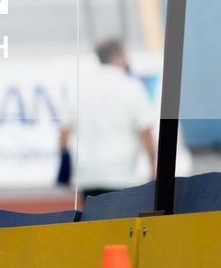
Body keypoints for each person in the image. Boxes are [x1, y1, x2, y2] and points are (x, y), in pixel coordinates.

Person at [59, 38, 158, 199]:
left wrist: (65, 168)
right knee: (121, 222)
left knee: (92, 221)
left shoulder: (80, 88)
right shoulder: (132, 87)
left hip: (87, 174)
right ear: (119, 57)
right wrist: (153, 165)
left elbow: (64, 132)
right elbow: (146, 131)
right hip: (121, 174)